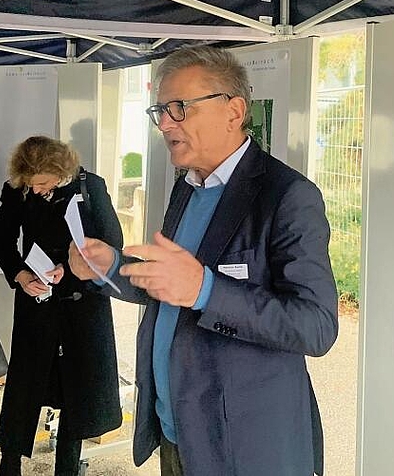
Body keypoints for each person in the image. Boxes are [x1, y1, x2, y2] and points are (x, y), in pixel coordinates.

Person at [68, 45, 339, 476]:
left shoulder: (287, 196)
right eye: (160, 110)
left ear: (233, 111)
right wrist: (109, 267)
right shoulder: (188, 187)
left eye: (179, 108)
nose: (165, 124)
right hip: (178, 433)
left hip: (244, 447)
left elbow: (316, 326)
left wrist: (206, 290)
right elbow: (172, 285)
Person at [0, 136, 123, 476]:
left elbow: (112, 244)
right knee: (23, 387)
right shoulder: (19, 190)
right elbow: (0, 240)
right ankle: (10, 463)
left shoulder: (90, 187)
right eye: (30, 185)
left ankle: (68, 465)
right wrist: (19, 273)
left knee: (76, 389)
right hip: (38, 299)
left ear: (60, 172)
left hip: (82, 305)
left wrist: (72, 269)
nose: (35, 190)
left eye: (43, 184)